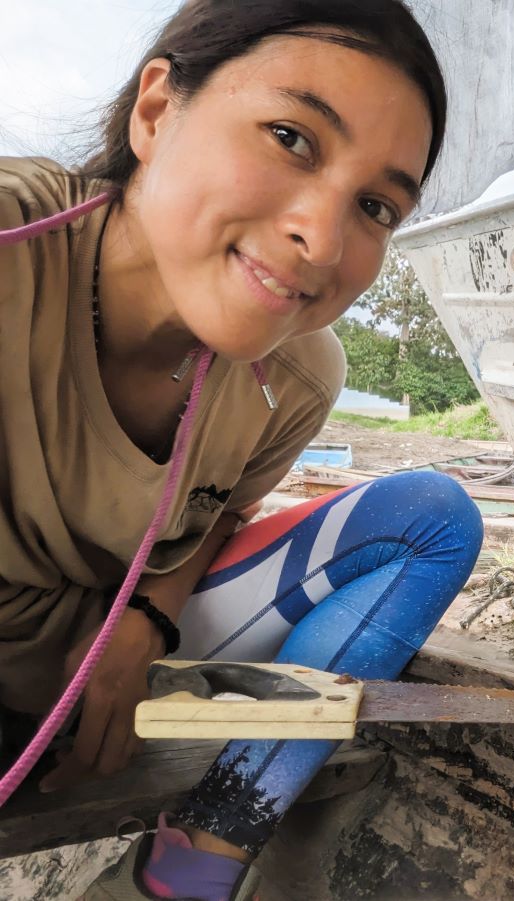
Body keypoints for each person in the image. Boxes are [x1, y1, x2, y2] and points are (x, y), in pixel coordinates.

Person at [0, 2, 481, 899]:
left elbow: (216, 514)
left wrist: (146, 620)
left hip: (105, 647)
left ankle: (191, 864)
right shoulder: (13, 252)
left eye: (376, 204)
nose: (323, 239)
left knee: (431, 523)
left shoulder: (296, 371)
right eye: (292, 137)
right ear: (156, 111)